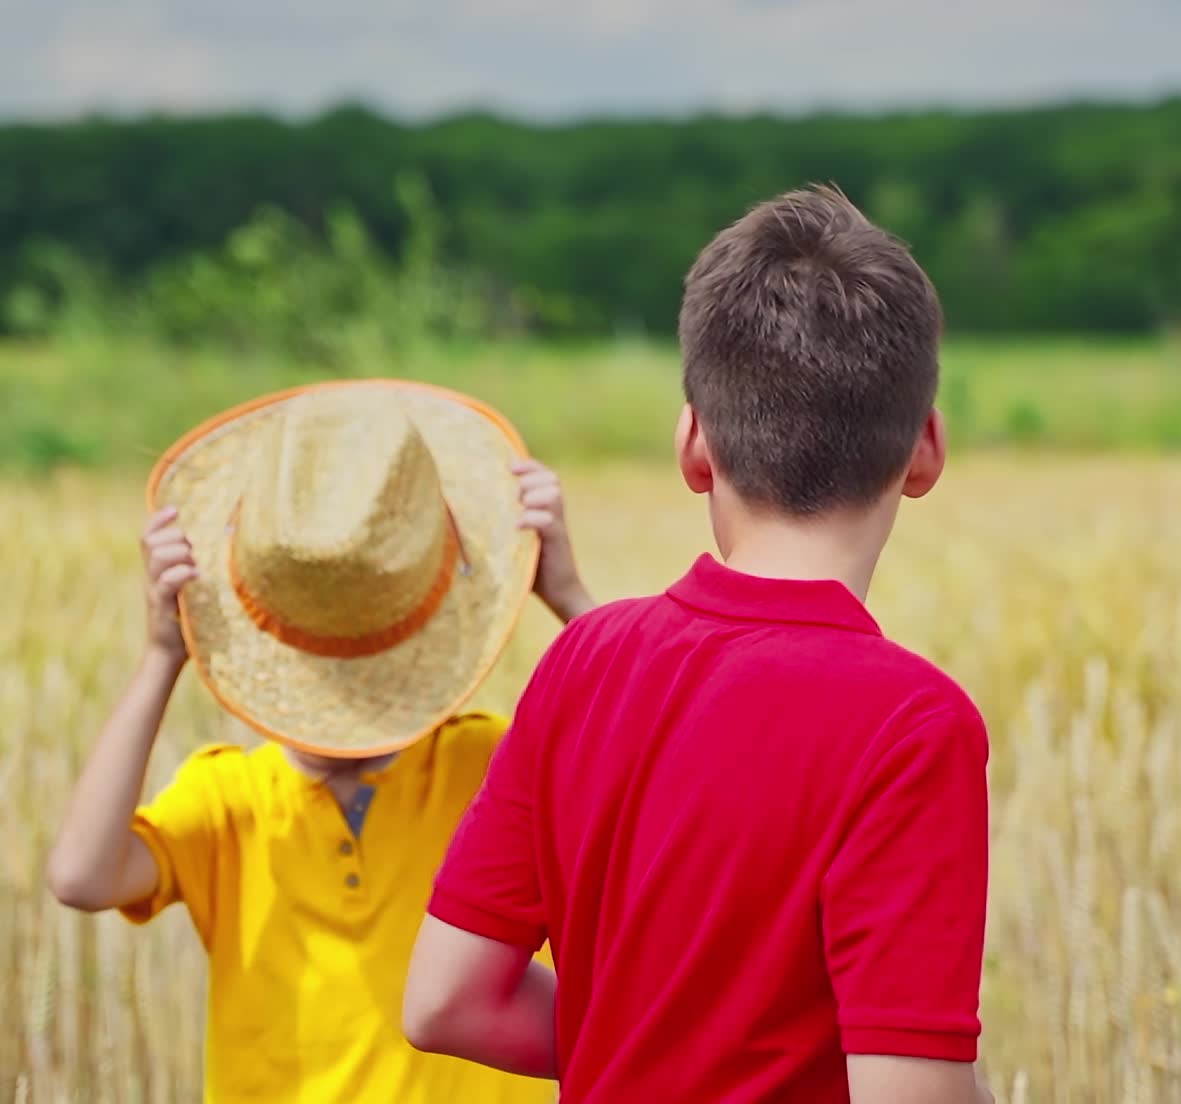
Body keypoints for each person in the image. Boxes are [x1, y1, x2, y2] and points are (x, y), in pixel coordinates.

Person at [404, 188, 993, 1103]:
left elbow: (445, 1003)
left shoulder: (584, 660)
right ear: (925, 451)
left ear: (692, 445)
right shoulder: (912, 725)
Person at [47, 379, 595, 1103]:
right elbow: (83, 877)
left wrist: (576, 605)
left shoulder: (488, 763)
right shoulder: (230, 802)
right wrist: (159, 658)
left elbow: (677, 781)